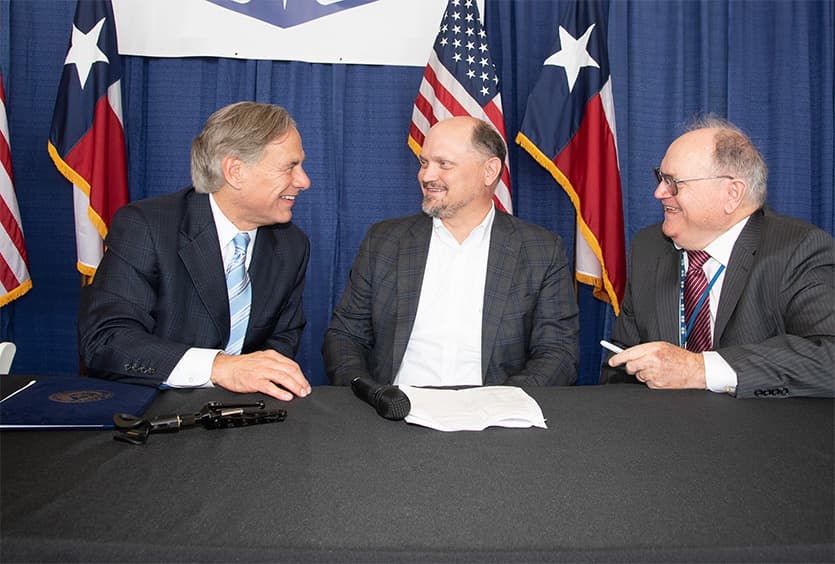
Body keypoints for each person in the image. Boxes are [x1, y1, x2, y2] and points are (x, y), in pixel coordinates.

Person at [79, 101, 313, 401]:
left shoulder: (291, 244)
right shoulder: (147, 226)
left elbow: (282, 338)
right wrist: (219, 367)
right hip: (154, 415)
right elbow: (106, 340)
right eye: (290, 167)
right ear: (235, 171)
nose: (304, 181)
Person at [323, 116, 579, 387]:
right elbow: (345, 336)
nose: (426, 176)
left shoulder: (541, 250)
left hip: (494, 419)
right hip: (395, 413)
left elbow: (558, 352)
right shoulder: (384, 241)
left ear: (490, 171)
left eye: (443, 164)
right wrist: (371, 395)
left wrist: (500, 404)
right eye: (424, 163)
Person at [601, 116, 835, 398]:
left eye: (673, 182)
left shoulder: (797, 250)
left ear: (732, 194)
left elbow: (828, 358)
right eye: (660, 178)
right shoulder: (648, 248)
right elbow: (621, 365)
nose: (659, 192)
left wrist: (699, 369)